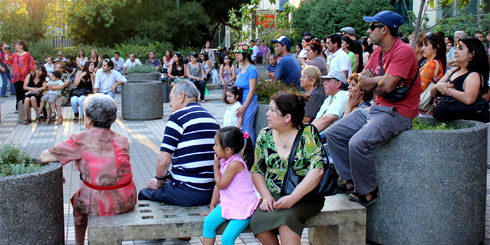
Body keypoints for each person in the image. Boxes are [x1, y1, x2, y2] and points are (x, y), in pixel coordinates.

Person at [325, 10, 420, 206]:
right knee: (334, 133)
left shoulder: (404, 51)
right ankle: (350, 180)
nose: (368, 31)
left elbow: (386, 87)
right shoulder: (378, 52)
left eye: (372, 26)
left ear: (384, 29)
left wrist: (372, 81)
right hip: (376, 107)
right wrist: (374, 80)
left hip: (397, 112)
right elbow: (362, 82)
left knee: (357, 143)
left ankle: (368, 191)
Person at [40, 94, 137, 245]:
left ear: (89, 119)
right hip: (128, 198)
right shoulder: (122, 138)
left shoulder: (80, 139)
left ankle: (79, 243)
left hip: (97, 201)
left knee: (78, 204)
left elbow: (44, 157)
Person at [250, 91, 325, 244]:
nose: (267, 114)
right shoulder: (265, 136)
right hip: (274, 195)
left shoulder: (307, 133)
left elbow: (317, 170)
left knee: (286, 220)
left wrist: (292, 198)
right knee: (258, 222)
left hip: (305, 196)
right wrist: (266, 196)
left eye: (272, 110)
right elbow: (256, 170)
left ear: (287, 117)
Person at [138, 80, 219, 206]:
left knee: (144, 193)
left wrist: (158, 183)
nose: (170, 104)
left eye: (171, 99)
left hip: (187, 191)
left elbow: (163, 161)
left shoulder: (177, 117)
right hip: (211, 191)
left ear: (181, 96)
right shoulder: (211, 118)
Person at [202, 126, 258, 245]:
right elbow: (218, 185)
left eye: (216, 145)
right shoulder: (225, 160)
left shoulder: (235, 164)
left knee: (227, 238)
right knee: (208, 223)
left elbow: (221, 184)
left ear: (228, 150)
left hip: (243, 207)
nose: (213, 148)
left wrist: (215, 167)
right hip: (229, 204)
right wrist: (212, 206)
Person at [430, 37, 489, 122]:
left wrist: (446, 89)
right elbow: (432, 92)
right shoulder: (453, 71)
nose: (455, 51)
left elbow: (469, 99)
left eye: (460, 48)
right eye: (457, 48)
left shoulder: (473, 75)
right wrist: (438, 86)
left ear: (472, 54)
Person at [234, 43, 258, 144]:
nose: (236, 55)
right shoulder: (239, 68)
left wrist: (244, 107)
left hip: (249, 101)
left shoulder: (252, 69)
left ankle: (251, 151)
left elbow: (252, 90)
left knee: (247, 127)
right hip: (240, 100)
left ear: (245, 54)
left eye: (238, 53)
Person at [312, 71, 349, 135]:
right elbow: (318, 119)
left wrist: (307, 135)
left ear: (338, 84)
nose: (324, 83)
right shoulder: (328, 98)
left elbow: (327, 120)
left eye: (328, 80)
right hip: (320, 135)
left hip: (328, 138)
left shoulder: (344, 95)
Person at [419, 32, 446, 115]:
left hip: (421, 108)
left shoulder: (432, 64)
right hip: (429, 108)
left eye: (426, 45)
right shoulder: (439, 63)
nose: (422, 49)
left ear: (436, 47)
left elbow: (418, 87)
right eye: (422, 45)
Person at [6, 40, 35, 111]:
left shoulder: (27, 54)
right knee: (18, 92)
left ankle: (25, 107)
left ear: (21, 46)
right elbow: (8, 62)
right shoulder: (14, 54)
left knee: (24, 92)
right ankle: (18, 107)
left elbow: (31, 66)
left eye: (17, 45)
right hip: (16, 77)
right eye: (15, 45)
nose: (15, 47)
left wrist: (31, 76)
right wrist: (6, 53)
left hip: (25, 76)